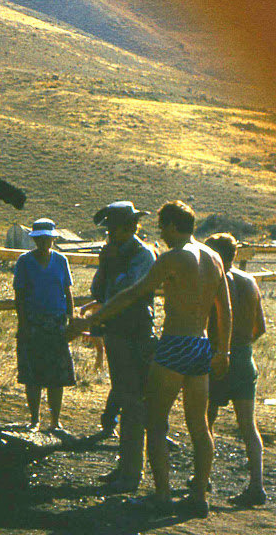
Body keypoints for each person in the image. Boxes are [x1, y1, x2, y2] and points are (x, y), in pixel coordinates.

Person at [69, 200, 231, 517]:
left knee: (155, 422)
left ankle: (162, 495)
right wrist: (223, 350)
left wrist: (90, 322)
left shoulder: (172, 257)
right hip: (200, 344)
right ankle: (198, 495)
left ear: (171, 226)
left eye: (162, 227)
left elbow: (134, 293)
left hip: (174, 343)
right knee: (199, 425)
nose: (161, 233)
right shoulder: (214, 258)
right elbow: (224, 308)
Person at [83, 201, 157, 494]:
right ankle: (126, 468)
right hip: (117, 332)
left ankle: (131, 472)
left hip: (136, 333)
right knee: (128, 400)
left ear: (129, 227)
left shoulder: (142, 255)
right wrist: (105, 264)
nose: (109, 233)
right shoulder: (114, 253)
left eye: (113, 228)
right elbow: (99, 291)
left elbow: (129, 292)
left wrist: (111, 264)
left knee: (134, 402)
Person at [204, 233, 268, 506]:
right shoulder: (250, 282)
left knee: (205, 418)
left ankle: (202, 477)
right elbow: (261, 328)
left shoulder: (214, 282)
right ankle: (257, 485)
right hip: (244, 357)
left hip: (216, 355)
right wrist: (241, 347)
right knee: (248, 425)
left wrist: (221, 349)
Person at [13, 218, 76, 432]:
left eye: (47, 238)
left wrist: (71, 320)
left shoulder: (61, 260)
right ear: (34, 239)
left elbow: (67, 292)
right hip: (32, 322)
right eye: (39, 238)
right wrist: (23, 325)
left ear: (53, 238)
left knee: (57, 375)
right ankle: (34, 419)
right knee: (33, 373)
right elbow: (19, 296)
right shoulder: (24, 261)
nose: (44, 242)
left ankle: (55, 421)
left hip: (57, 322)